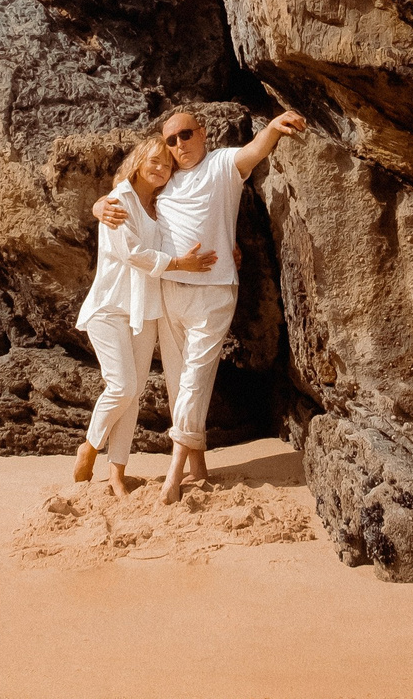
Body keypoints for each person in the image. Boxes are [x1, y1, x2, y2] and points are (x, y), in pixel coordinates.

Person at [92, 105, 304, 502]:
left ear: (202, 133)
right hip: (170, 292)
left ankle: (174, 474)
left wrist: (274, 128)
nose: (178, 145)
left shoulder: (222, 164)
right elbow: (130, 193)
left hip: (213, 291)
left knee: (193, 381)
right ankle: (198, 468)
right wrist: (99, 205)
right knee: (179, 384)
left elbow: (254, 151)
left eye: (185, 134)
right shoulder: (165, 182)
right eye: (171, 140)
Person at [72, 133, 219, 497]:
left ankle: (117, 474)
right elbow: (132, 253)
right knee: (122, 386)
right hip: (110, 307)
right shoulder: (118, 200)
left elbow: (189, 230)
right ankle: (89, 446)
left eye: (167, 165)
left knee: (134, 394)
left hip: (144, 309)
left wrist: (226, 249)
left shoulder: (159, 206)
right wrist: (179, 264)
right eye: (154, 161)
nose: (161, 169)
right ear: (138, 162)